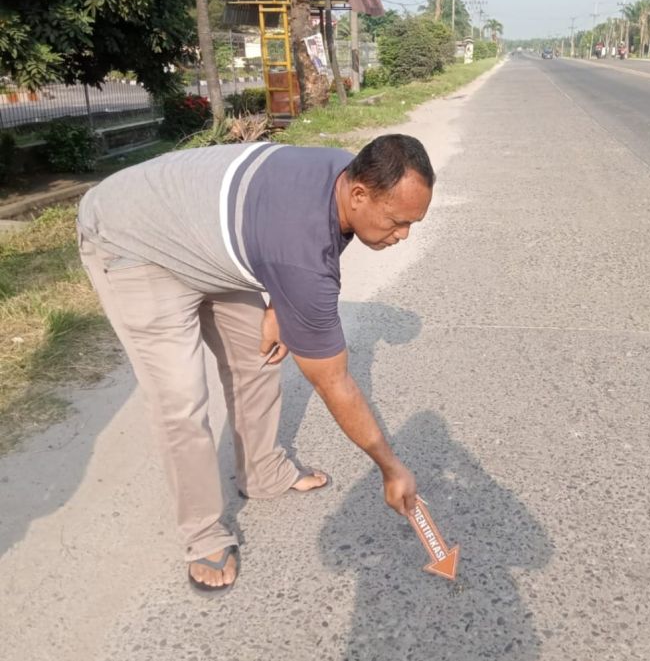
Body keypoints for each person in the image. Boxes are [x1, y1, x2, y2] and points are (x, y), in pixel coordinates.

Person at [76, 134, 435, 595]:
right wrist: (390, 466)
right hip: (135, 241)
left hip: (204, 234)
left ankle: (262, 471)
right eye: (397, 222)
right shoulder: (304, 248)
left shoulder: (350, 175)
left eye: (412, 224)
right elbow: (333, 380)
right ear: (360, 193)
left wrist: (278, 303)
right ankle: (203, 533)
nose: (403, 235)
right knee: (181, 400)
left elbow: (308, 242)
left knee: (260, 354)